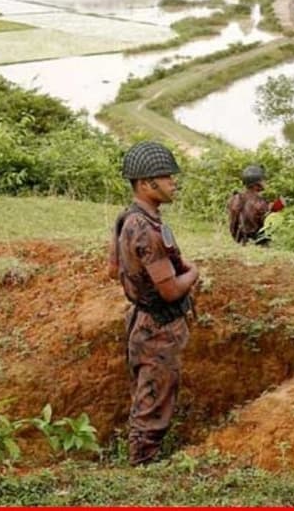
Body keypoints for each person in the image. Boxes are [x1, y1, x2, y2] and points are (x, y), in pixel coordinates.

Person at [107, 141, 199, 466]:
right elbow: (172, 291)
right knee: (153, 403)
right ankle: (143, 469)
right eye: (167, 177)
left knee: (147, 394)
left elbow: (113, 268)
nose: (173, 182)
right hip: (158, 327)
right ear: (147, 184)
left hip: (140, 321)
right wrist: (194, 274)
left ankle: (140, 460)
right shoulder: (147, 230)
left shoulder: (127, 219)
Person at [226, 164, 284, 245]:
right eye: (263, 180)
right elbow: (266, 227)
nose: (265, 182)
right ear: (257, 183)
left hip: (238, 241)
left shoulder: (234, 198)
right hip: (255, 243)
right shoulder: (260, 203)